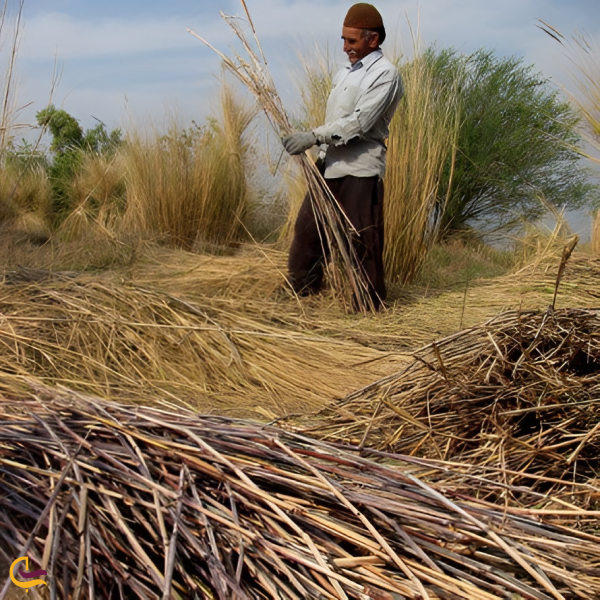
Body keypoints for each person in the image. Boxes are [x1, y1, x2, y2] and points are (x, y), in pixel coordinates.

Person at [282, 2, 403, 310]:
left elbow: (360, 123)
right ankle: (302, 292)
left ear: (373, 39)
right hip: (330, 165)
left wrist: (312, 136)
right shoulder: (344, 74)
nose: (345, 47)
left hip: (361, 170)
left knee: (361, 239)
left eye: (352, 41)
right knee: (308, 230)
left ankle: (368, 304)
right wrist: (318, 148)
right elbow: (337, 118)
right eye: (344, 40)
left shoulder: (386, 75)